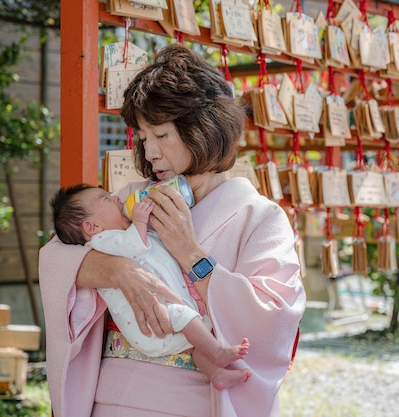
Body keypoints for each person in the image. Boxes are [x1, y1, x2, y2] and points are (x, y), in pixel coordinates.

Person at [39, 43, 306, 417]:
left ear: (203, 128)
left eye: (161, 136)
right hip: (109, 393)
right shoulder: (131, 199)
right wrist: (118, 270)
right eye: (144, 138)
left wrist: (192, 255)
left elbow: (274, 318)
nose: (150, 154)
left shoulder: (259, 217)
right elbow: (55, 256)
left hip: (193, 401)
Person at [49, 183, 252, 390]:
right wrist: (139, 220)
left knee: (194, 340)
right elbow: (134, 246)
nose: (117, 199)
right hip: (149, 323)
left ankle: (216, 374)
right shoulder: (103, 241)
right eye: (107, 199)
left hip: (160, 317)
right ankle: (217, 352)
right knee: (187, 319)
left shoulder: (120, 234)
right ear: (92, 227)